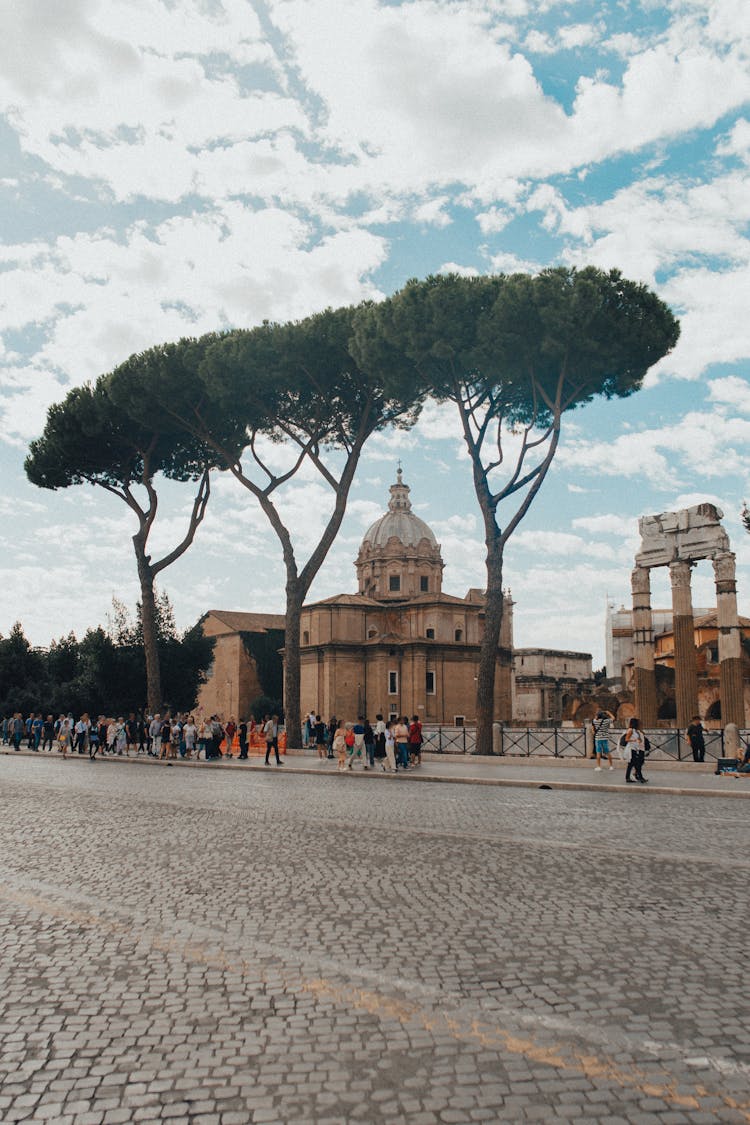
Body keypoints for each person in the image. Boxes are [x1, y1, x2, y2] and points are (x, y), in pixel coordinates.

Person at [624, 717, 647, 784]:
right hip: (631, 749)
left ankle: (628, 777)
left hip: (635, 749)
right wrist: (635, 740)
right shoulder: (630, 730)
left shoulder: (635, 730)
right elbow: (626, 739)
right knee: (635, 764)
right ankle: (640, 777)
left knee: (631, 764)